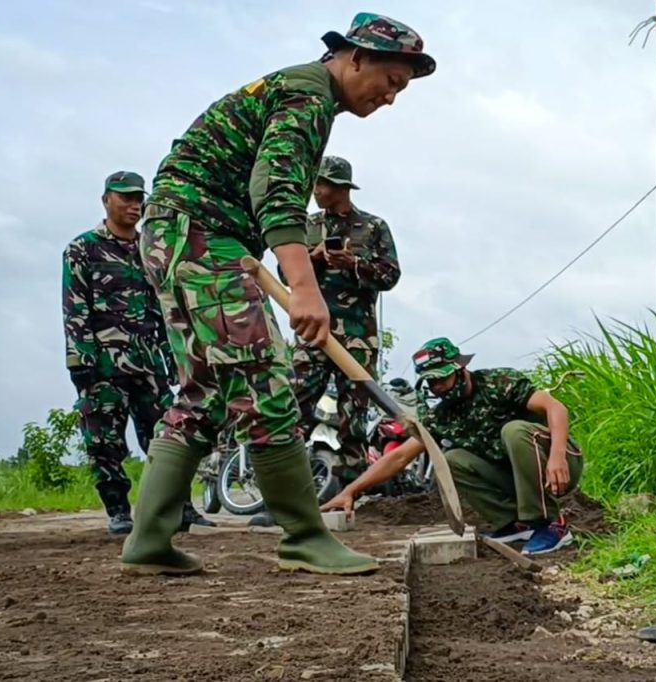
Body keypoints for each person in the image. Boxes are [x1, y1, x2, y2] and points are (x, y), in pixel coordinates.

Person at [119, 13, 435, 576]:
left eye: (400, 91)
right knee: (265, 378)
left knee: (205, 391)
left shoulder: (295, 90)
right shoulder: (307, 96)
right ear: (355, 57)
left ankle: (147, 541)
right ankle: (305, 537)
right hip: (201, 236)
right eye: (390, 82)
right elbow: (278, 191)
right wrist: (305, 288)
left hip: (177, 235)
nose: (390, 98)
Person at [324, 338, 584, 556]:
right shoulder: (443, 416)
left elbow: (555, 408)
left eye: (442, 379)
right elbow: (400, 457)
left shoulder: (498, 383)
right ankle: (516, 524)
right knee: (451, 459)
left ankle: (552, 524)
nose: (437, 388)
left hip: (557, 463)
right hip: (513, 477)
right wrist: (351, 491)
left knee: (513, 431)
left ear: (460, 369)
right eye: (431, 383)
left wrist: (557, 457)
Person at [249, 155, 400, 528]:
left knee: (353, 419)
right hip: (312, 333)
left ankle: (350, 499)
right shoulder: (306, 225)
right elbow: (285, 273)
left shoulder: (374, 226)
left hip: (357, 338)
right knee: (292, 408)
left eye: (323, 184)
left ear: (342, 188)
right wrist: (313, 259)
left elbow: (390, 275)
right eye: (315, 183)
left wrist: (355, 264)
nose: (316, 191)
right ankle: (284, 500)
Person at [62, 171, 215, 536]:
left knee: (168, 436)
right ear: (106, 200)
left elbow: (164, 307)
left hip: (149, 362)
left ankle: (180, 507)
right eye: (125, 197)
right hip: (103, 364)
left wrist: (177, 356)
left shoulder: (151, 249)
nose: (134, 205)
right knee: (105, 441)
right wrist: (80, 360)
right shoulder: (83, 248)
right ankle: (118, 510)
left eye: (138, 198)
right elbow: (74, 307)